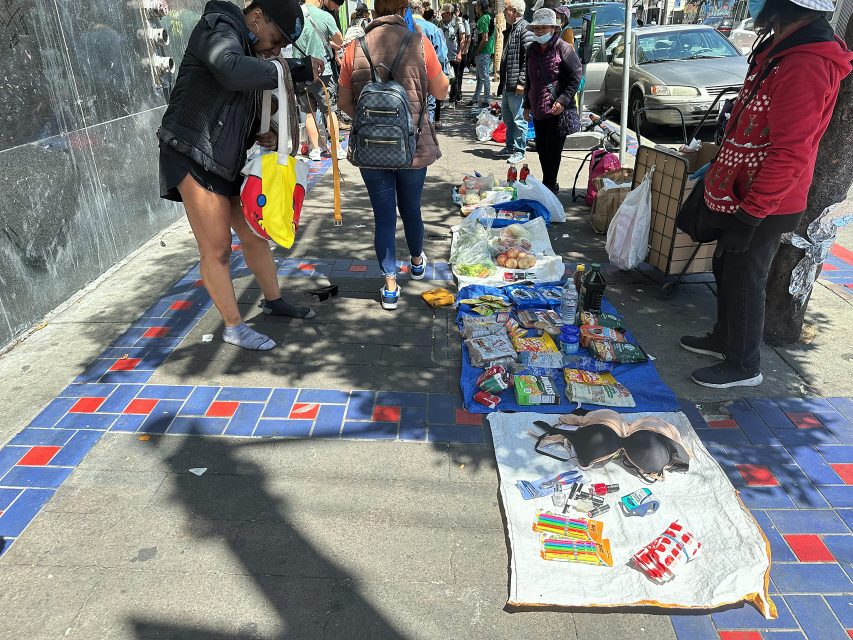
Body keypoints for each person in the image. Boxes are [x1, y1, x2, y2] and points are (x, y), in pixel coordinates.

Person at [680, 0, 852, 388]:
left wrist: (751, 214)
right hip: (741, 193)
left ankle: (744, 365)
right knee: (726, 268)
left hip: (764, 203)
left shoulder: (805, 62)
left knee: (745, 278)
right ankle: (726, 338)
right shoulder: (782, 48)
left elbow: (791, 151)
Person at [158, 0, 325, 351]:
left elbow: (234, 102)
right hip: (192, 151)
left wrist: (257, 133)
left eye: (281, 47)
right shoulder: (218, 28)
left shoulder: (249, 48)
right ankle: (233, 327)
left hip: (225, 157)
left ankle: (274, 300)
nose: (275, 50)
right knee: (217, 247)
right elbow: (230, 71)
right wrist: (292, 68)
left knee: (253, 231)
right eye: (276, 40)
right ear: (256, 17)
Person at [338, 0, 449, 310]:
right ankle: (416, 261)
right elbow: (441, 92)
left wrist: (374, 123)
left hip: (372, 150)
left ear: (374, 11)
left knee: (384, 216)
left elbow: (345, 103)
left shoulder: (354, 48)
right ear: (403, 10)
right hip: (413, 145)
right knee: (411, 208)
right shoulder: (419, 42)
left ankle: (389, 286)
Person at [523, 8, 581, 194]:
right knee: (541, 148)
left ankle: (549, 185)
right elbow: (529, 79)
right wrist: (526, 105)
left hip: (557, 109)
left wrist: (563, 100)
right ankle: (549, 183)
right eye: (536, 28)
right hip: (538, 108)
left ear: (553, 28)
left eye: (543, 28)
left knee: (552, 151)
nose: (539, 32)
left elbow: (576, 75)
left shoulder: (563, 48)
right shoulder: (531, 49)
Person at [290, 0, 344, 161]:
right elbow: (340, 41)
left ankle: (314, 149)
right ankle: (336, 148)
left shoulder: (293, 14)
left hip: (300, 70)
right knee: (329, 111)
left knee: (308, 113)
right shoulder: (325, 16)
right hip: (323, 72)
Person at [498, 0, 533, 165]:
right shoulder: (513, 29)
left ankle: (520, 150)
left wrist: (522, 81)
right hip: (508, 83)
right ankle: (510, 146)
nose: (505, 12)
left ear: (514, 11)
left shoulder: (524, 28)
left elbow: (528, 59)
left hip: (516, 85)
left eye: (507, 9)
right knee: (508, 118)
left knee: (519, 119)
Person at [411, 0, 449, 128]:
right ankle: (427, 136)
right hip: (429, 76)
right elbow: (442, 56)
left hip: (407, 77)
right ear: (422, 11)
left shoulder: (401, 28)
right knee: (429, 108)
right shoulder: (432, 28)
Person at [467, 0, 495, 108]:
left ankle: (486, 100)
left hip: (483, 52)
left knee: (484, 77)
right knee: (480, 77)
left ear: (480, 7)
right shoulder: (486, 17)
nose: (475, 8)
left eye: (477, 6)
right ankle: (476, 98)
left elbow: (485, 38)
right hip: (485, 51)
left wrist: (478, 50)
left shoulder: (484, 19)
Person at [440, 3, 466, 106]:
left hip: (454, 55)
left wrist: (460, 53)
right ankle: (441, 100)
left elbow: (463, 39)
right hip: (442, 56)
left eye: (445, 13)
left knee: (454, 79)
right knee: (442, 79)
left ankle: (452, 100)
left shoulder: (458, 23)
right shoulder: (440, 24)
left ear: (449, 13)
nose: (443, 15)